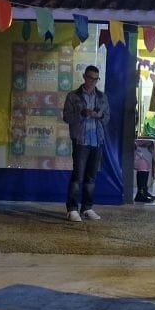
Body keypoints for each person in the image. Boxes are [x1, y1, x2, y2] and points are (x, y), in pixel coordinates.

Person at [61, 65, 110, 222]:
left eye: (95, 79)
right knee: (78, 176)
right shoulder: (73, 96)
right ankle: (72, 209)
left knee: (91, 177)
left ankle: (87, 207)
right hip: (81, 140)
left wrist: (100, 115)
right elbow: (67, 117)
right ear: (84, 76)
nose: (92, 82)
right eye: (90, 78)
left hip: (97, 140)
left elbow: (107, 118)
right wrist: (82, 113)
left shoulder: (102, 97)